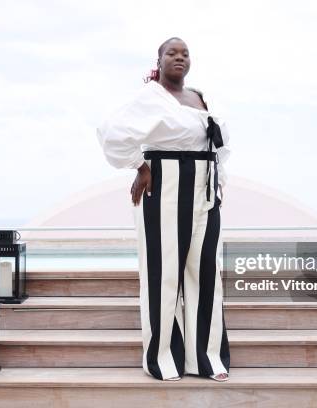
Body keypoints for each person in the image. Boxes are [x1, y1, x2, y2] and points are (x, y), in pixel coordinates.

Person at [96, 37, 231, 382]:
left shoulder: (199, 96)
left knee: (204, 274)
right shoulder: (150, 97)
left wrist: (216, 183)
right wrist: (140, 167)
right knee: (163, 274)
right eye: (172, 52)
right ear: (159, 60)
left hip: (204, 191)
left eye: (185, 53)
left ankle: (205, 358)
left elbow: (215, 143)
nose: (180, 58)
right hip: (165, 188)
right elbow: (111, 133)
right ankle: (162, 358)